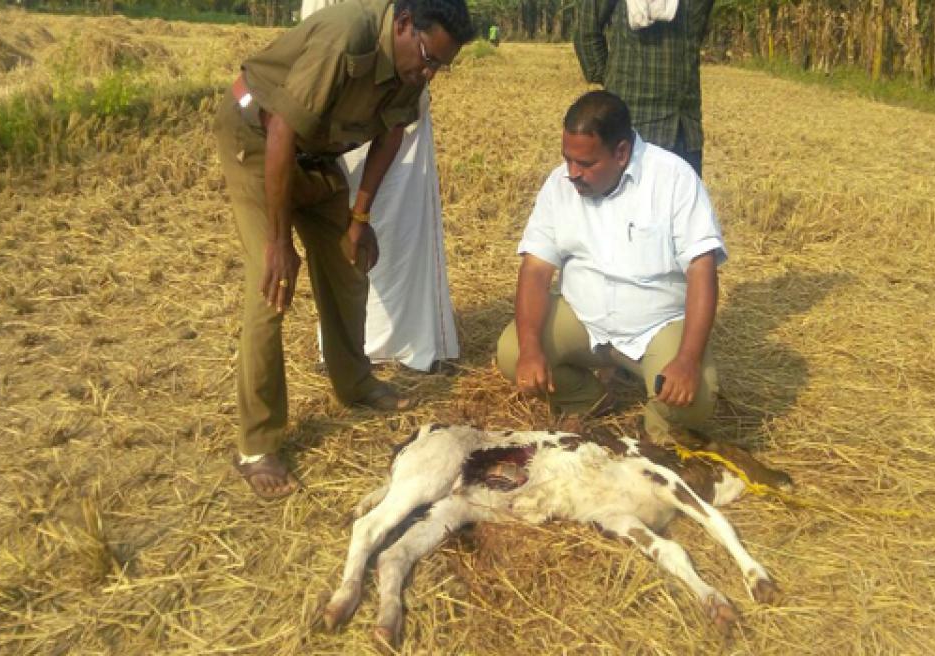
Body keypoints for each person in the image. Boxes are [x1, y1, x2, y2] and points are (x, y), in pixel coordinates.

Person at [215, 0, 476, 499]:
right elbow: (280, 130)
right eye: (427, 58)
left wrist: (359, 217)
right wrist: (278, 241)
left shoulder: (413, 68)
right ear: (402, 25)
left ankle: (353, 382)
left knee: (348, 262)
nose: (429, 73)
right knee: (270, 285)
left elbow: (392, 132)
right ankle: (257, 443)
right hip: (258, 139)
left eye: (440, 65)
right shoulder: (346, 36)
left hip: (315, 153)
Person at [495, 91, 725, 441]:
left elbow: (701, 270)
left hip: (656, 326)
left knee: (696, 400)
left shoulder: (673, 179)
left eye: (585, 164)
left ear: (621, 153)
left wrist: (688, 360)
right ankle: (588, 399)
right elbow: (536, 270)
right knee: (512, 354)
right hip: (584, 319)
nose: (573, 174)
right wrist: (530, 349)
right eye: (567, 159)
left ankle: (657, 430)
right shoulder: (559, 185)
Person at [301, 0, 461, 375]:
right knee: (343, 227)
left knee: (404, 230)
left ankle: (411, 344)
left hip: (404, 108)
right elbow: (319, 39)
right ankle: (348, 348)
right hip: (344, 104)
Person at [574, 0, 715, 176]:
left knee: (683, 199)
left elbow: (696, 33)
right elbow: (586, 32)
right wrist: (614, 82)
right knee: (630, 201)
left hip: (685, 128)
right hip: (633, 124)